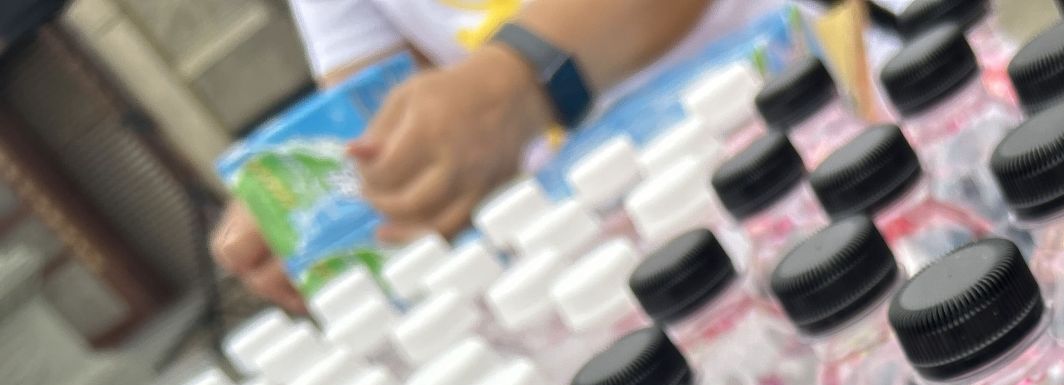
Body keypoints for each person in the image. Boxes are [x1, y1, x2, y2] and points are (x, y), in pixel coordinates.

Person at [214, 0, 777, 311]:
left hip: (778, 120)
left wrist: (515, 79)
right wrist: (319, 205)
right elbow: (379, 111)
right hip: (610, 244)